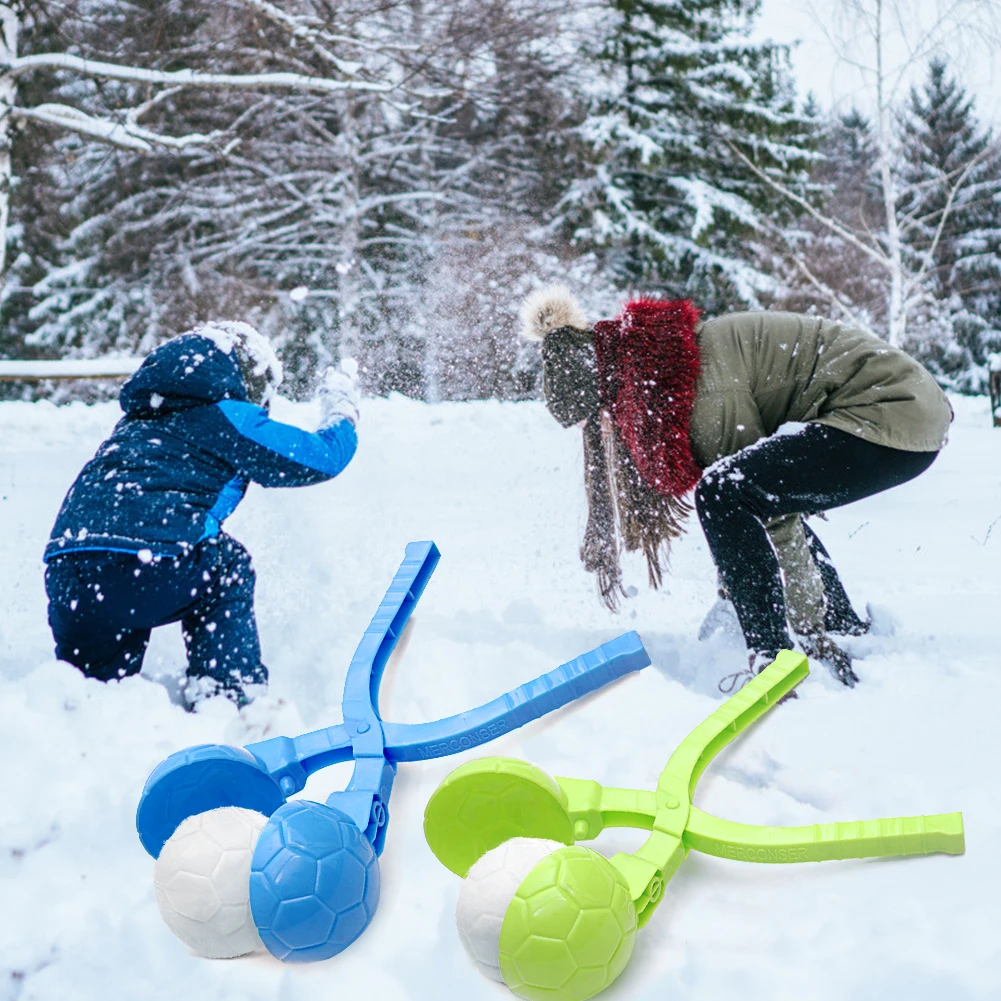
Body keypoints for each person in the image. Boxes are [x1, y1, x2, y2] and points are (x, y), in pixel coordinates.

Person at [520, 286, 952, 692]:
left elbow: (771, 514)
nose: (605, 431)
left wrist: (807, 627)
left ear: (608, 393)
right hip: (899, 406)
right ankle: (835, 622)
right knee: (741, 489)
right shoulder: (663, 364)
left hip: (891, 413)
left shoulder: (702, 393)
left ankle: (773, 657)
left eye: (596, 419)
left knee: (726, 492)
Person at [43, 321, 360, 708]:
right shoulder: (224, 416)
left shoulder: (135, 424)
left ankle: (86, 714)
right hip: (147, 568)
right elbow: (320, 459)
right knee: (227, 566)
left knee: (96, 696)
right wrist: (343, 410)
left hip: (69, 573)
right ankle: (225, 693)